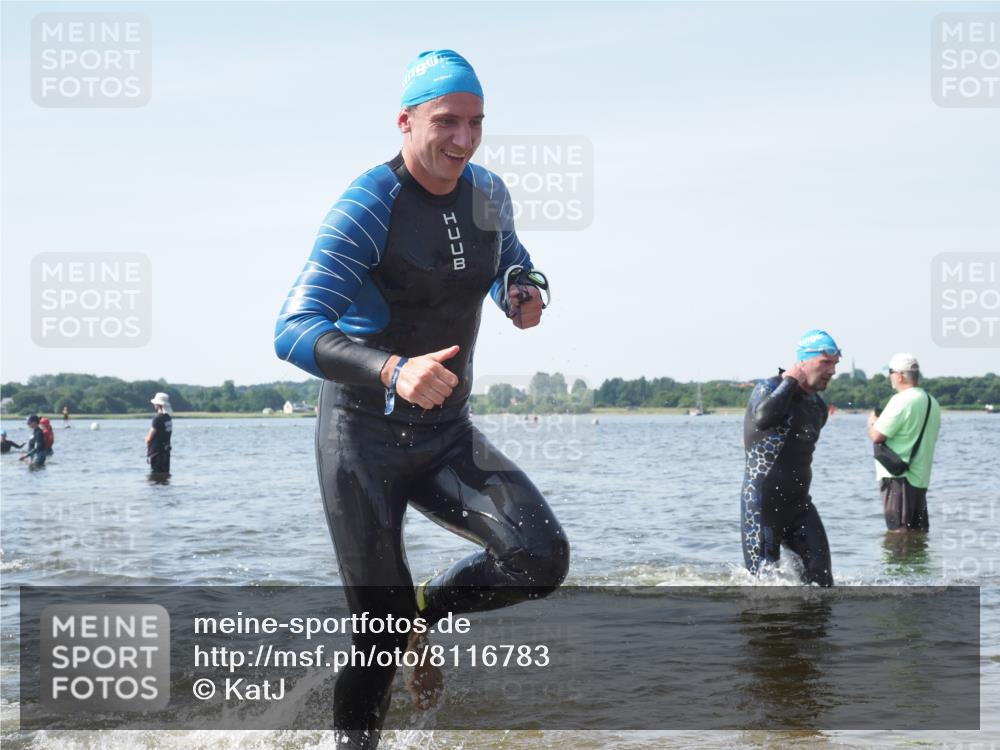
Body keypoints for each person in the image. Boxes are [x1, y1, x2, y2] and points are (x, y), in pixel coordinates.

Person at [274, 49, 569, 748]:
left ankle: (422, 617)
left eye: (476, 123)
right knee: (375, 636)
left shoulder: (486, 193)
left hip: (445, 432)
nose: (463, 140)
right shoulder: (367, 205)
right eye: (447, 122)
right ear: (405, 121)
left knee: (539, 558)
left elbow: (511, 261)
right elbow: (291, 329)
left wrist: (522, 293)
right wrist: (390, 368)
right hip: (361, 441)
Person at [741, 330, 840, 587]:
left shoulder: (817, 406)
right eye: (825, 362)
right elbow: (762, 419)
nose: (832, 371)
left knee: (823, 584)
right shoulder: (770, 387)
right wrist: (789, 383)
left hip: (799, 506)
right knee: (763, 588)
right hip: (763, 507)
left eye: (835, 363)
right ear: (803, 361)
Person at [867, 353, 941, 532]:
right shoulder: (932, 402)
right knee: (918, 535)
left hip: (899, 478)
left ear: (899, 375)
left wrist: (871, 421)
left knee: (898, 534)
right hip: (920, 478)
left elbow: (877, 436)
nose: (890, 377)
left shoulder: (901, 400)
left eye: (890, 372)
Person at [145, 392, 173, 475]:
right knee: (165, 475)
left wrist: (146, 439)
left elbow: (149, 438)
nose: (154, 405)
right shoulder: (168, 418)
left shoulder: (157, 419)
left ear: (158, 405)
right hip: (166, 452)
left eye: (155, 404)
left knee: (156, 477)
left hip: (157, 454)